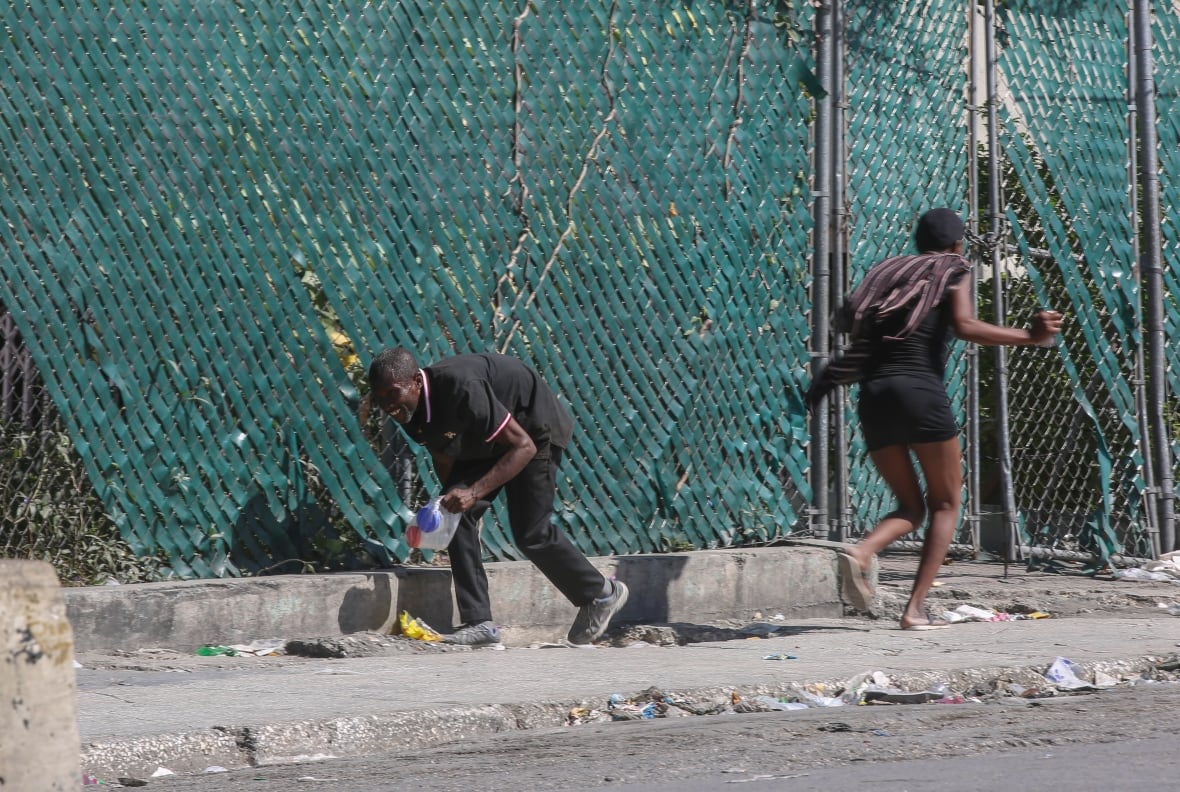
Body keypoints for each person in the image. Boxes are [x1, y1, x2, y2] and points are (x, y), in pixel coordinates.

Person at [806, 208, 1063, 630]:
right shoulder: (953, 269)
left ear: (916, 241)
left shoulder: (887, 273)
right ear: (959, 245)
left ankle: (862, 551)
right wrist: (1030, 337)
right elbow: (963, 324)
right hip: (920, 394)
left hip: (874, 397)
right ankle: (914, 610)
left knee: (911, 505)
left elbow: (849, 323)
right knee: (945, 503)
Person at [367, 348, 629, 646]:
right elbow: (441, 454)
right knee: (455, 515)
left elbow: (523, 446)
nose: (387, 404)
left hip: (532, 429)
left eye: (392, 393)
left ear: (416, 381)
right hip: (486, 444)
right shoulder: (409, 411)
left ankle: (601, 595)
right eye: (380, 398)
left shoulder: (460, 387)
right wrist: (451, 505)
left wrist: (474, 492)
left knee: (531, 533)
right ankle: (481, 625)